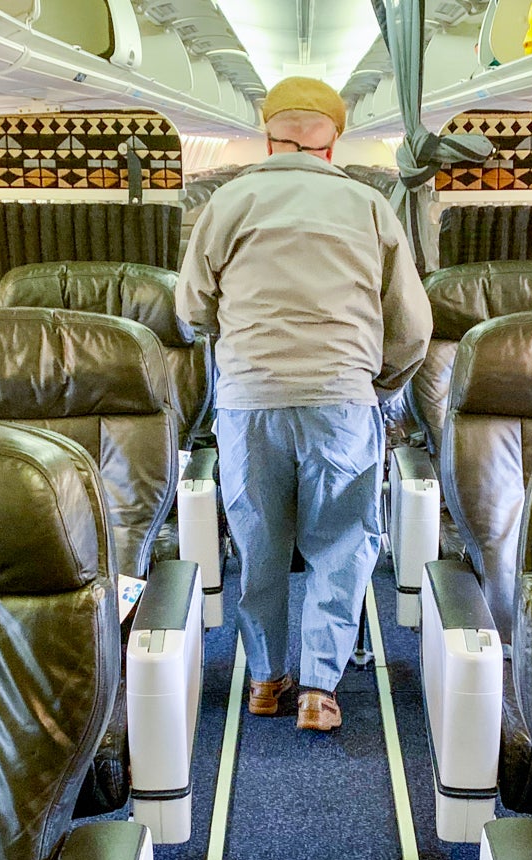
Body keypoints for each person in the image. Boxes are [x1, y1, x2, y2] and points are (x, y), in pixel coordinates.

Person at [176, 77, 431, 732]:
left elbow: (190, 310)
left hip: (247, 404)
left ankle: (265, 679)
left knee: (258, 543)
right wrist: (376, 389)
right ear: (333, 141)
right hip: (340, 402)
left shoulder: (228, 203)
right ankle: (320, 688)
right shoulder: (370, 207)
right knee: (341, 542)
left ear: (268, 136)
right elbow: (412, 331)